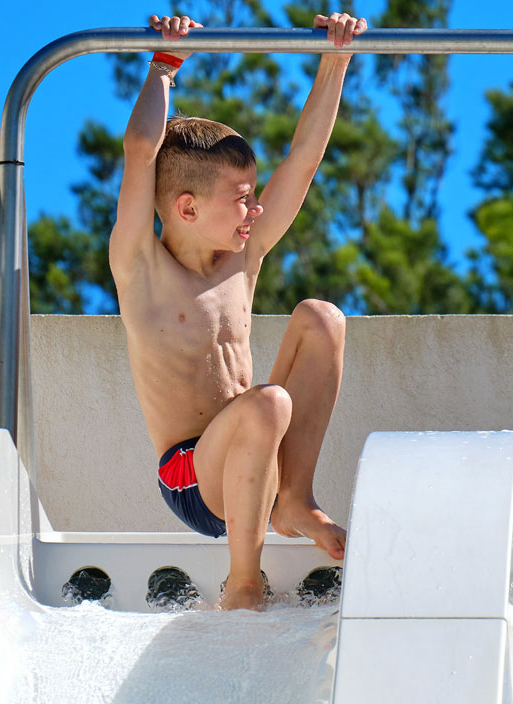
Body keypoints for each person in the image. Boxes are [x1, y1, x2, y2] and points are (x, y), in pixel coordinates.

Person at [111, 12, 366, 610]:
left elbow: (302, 161)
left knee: (321, 318)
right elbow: (141, 148)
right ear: (187, 207)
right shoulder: (141, 268)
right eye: (243, 200)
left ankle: (293, 500)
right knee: (269, 402)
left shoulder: (241, 259)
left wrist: (336, 61)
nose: (255, 212)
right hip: (195, 480)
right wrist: (164, 65)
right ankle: (243, 580)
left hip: (259, 449)